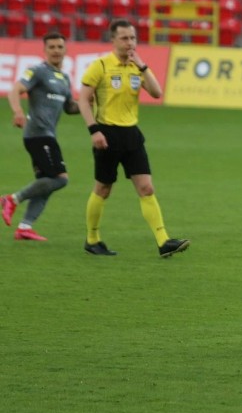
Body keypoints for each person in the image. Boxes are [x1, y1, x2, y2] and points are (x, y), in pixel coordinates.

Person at [77, 18, 189, 258]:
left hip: (132, 134)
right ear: (113, 40)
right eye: (125, 38)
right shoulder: (101, 65)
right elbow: (83, 99)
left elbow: (157, 92)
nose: (130, 43)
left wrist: (143, 66)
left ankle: (163, 241)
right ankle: (92, 239)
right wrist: (93, 130)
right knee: (103, 188)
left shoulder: (136, 67)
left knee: (146, 187)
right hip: (107, 133)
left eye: (133, 38)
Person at [2, 32, 78, 241]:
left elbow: (70, 107)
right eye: (51, 47)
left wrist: (91, 106)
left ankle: (25, 227)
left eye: (59, 47)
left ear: (65, 50)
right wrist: (17, 112)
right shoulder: (37, 71)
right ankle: (12, 199)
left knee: (46, 182)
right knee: (60, 179)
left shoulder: (65, 78)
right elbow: (15, 89)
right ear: (44, 50)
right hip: (38, 134)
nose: (56, 50)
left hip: (47, 134)